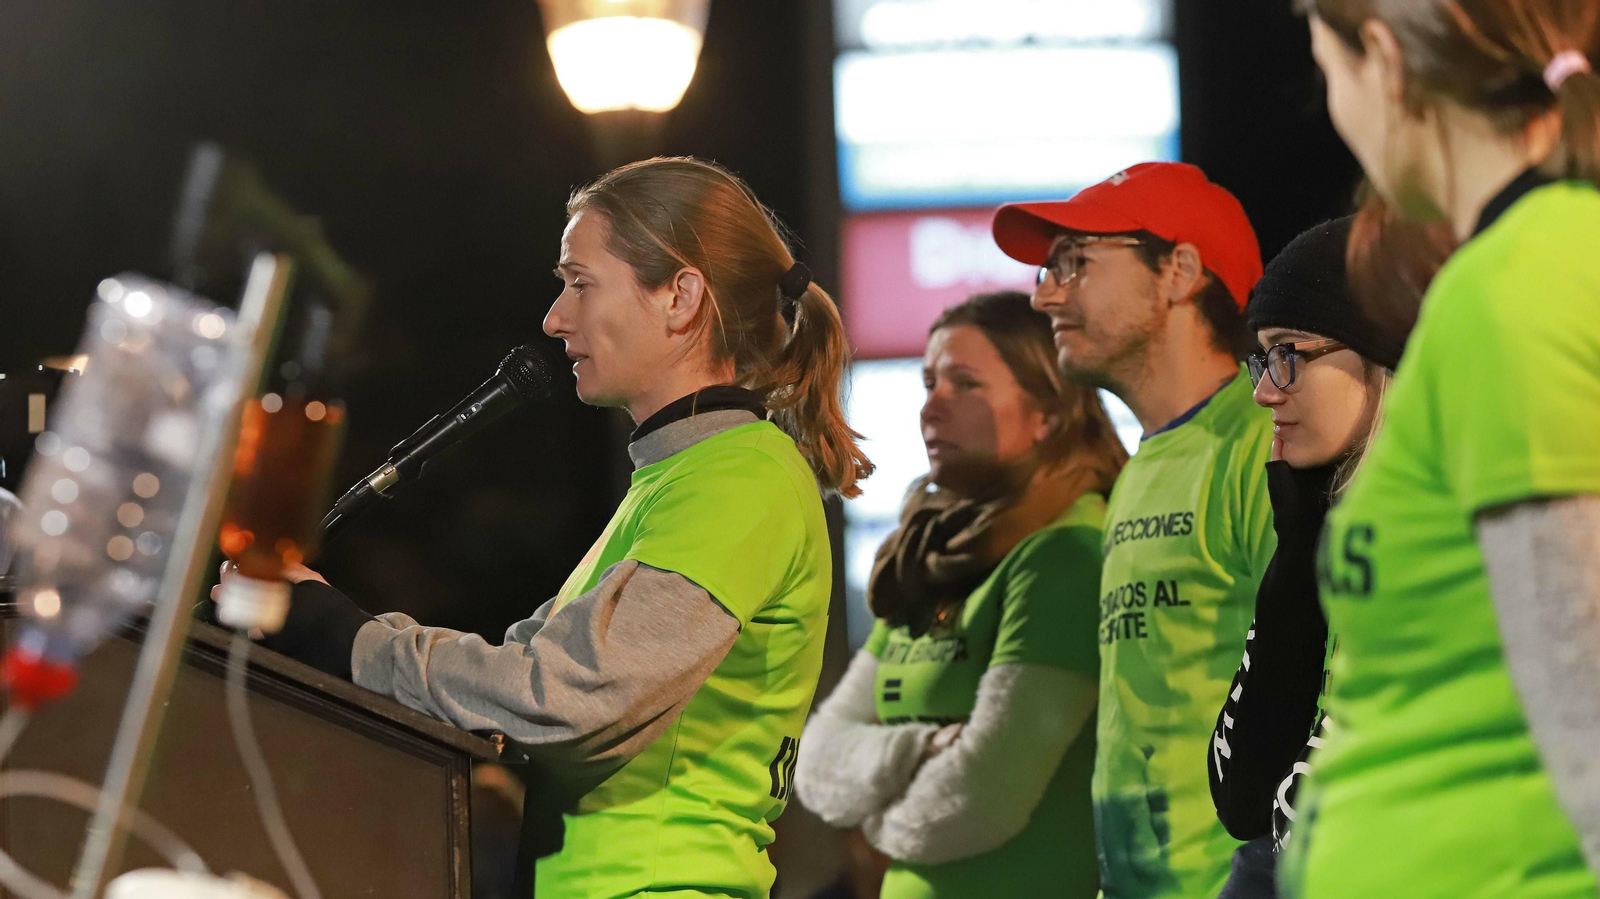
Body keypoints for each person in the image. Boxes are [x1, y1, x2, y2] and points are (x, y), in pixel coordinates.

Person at [221, 156, 873, 899]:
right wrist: (337, 626)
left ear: (681, 295)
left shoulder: (739, 478)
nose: (554, 317)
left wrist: (349, 639)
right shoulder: (684, 476)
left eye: (580, 282)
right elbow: (520, 673)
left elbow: (563, 696)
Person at [1291, 2, 1600, 896]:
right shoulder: (1533, 265)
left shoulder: (1518, 285)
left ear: (1385, 62)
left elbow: (1586, 695)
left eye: (1328, 74)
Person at [991, 161, 1274, 898]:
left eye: (1074, 262)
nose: (1044, 291)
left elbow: (1327, 695)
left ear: (1179, 270)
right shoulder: (1148, 463)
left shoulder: (1265, 442)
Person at [794, 291, 1128, 899]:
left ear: (1047, 414)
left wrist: (874, 821)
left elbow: (983, 796)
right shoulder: (931, 556)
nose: (931, 409)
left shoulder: (1066, 554)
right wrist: (921, 747)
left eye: (965, 385)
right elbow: (816, 762)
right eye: (928, 383)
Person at [1205, 212, 1445, 898]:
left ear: (1384, 354)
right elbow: (1245, 798)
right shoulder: (1334, 528)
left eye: (1289, 353)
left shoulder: (1456, 533)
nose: (1262, 390)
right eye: (1261, 357)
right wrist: (1298, 557)